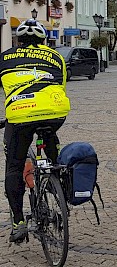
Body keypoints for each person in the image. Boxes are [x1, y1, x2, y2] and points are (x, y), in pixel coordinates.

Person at [2, 19, 71, 243]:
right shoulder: (57, 57)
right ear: (43, 40)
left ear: (18, 40)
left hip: (20, 116)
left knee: (14, 166)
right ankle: (57, 180)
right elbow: (61, 85)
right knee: (49, 134)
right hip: (55, 112)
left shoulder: (4, 58)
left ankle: (18, 222)